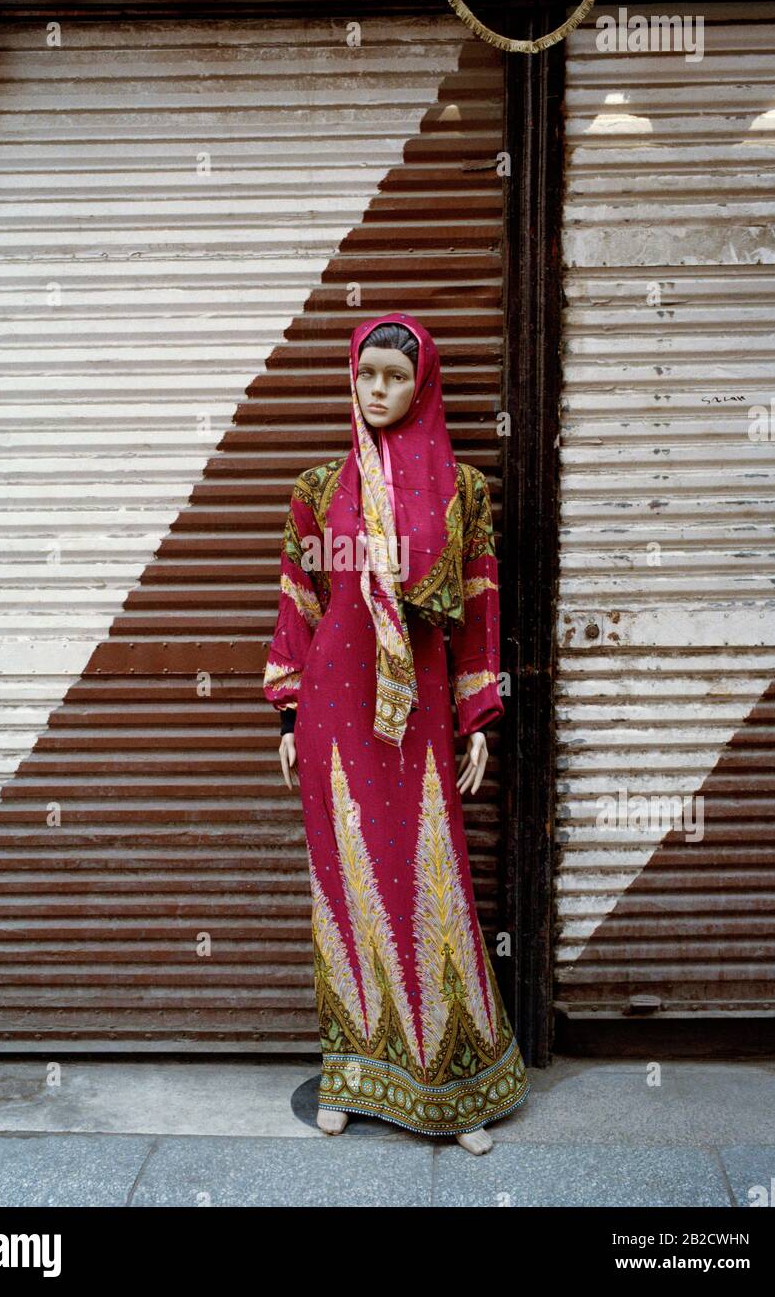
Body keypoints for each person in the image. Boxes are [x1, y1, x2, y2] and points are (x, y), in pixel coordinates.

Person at [263, 313, 530, 1153]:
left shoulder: (464, 493)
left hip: (417, 716)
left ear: (424, 386)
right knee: (346, 894)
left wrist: (476, 715)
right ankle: (350, 1074)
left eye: (395, 378)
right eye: (366, 374)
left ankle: (458, 1089)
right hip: (335, 718)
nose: (376, 391)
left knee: (430, 883)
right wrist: (287, 712)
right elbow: (299, 605)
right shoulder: (316, 490)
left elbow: (480, 611)